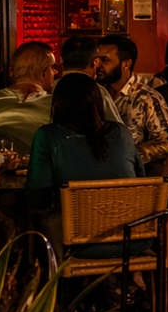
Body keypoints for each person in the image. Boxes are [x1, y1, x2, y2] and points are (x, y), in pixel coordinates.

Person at [26, 73, 143, 217]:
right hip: (130, 232)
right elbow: (140, 179)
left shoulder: (47, 136)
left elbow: (39, 201)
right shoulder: (121, 132)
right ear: (99, 102)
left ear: (57, 104)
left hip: (71, 235)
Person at [95, 34, 168, 167]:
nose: (98, 65)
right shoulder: (94, 95)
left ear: (126, 64)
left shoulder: (146, 98)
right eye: (96, 60)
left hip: (133, 174)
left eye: (105, 60)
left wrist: (130, 156)